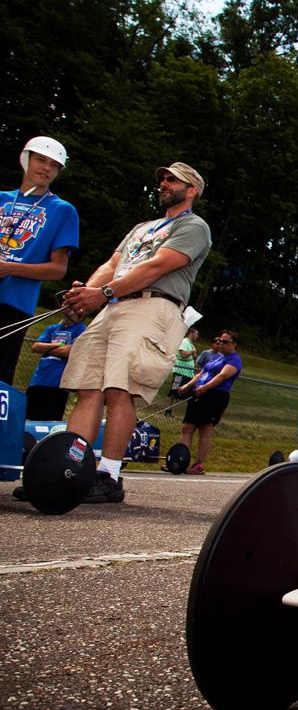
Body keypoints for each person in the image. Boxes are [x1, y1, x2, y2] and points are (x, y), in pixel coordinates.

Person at [60, 162, 211, 503]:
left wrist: (103, 293)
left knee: (120, 389)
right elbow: (113, 265)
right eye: (162, 178)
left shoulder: (195, 226)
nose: (164, 183)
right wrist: (86, 293)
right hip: (112, 304)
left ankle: (108, 475)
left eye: (173, 179)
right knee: (88, 388)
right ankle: (70, 471)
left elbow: (156, 266)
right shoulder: (143, 227)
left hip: (152, 305)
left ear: (191, 191)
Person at [0, 136, 79, 385]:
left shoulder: (62, 210)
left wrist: (9, 268)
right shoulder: (2, 198)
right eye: (40, 160)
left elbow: (58, 269)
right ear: (26, 160)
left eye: (54, 164)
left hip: (14, 304)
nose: (46, 168)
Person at [176, 330, 241, 474]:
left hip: (215, 396)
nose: (221, 344)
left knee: (204, 429)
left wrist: (205, 388)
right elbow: (202, 373)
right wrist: (187, 386)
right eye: (219, 341)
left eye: (225, 342)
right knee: (187, 427)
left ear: (234, 344)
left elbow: (222, 376)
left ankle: (199, 464)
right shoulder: (217, 357)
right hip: (200, 393)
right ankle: (181, 460)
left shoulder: (234, 360)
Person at [25, 307, 85, 420]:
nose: (67, 307)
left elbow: (68, 351)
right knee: (28, 417)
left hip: (58, 385)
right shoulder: (52, 329)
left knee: (49, 420)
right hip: (38, 381)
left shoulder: (81, 330)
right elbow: (36, 347)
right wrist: (59, 345)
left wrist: (46, 347)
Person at [164, 327, 198, 416]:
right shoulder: (184, 342)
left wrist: (194, 353)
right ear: (192, 333)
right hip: (180, 372)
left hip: (188, 373)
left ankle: (190, 414)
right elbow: (183, 355)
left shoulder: (190, 343)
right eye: (196, 334)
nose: (197, 336)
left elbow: (194, 357)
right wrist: (192, 351)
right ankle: (167, 411)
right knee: (174, 390)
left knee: (191, 392)